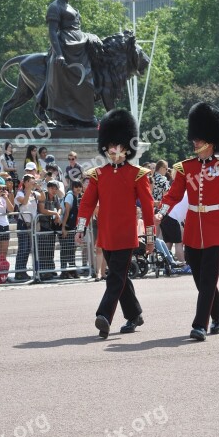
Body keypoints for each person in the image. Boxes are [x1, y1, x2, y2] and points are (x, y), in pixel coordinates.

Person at [157, 102, 219, 342]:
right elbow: (173, 195)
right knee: (198, 276)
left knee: (208, 279)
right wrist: (161, 213)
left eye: (200, 137)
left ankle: (199, 325)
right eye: (195, 137)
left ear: (211, 140)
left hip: (215, 227)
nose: (194, 141)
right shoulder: (186, 168)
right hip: (193, 228)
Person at [75, 109, 155, 339]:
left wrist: (149, 238)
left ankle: (104, 316)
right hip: (107, 236)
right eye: (110, 145)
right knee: (121, 278)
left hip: (126, 236)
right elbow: (86, 205)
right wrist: (80, 228)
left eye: (117, 145)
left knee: (115, 277)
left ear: (126, 148)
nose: (113, 149)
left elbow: (148, 208)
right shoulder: (99, 174)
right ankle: (134, 314)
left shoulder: (138, 174)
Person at [40, 0, 102, 127]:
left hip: (78, 47)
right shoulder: (55, 7)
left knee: (87, 82)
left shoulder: (71, 7)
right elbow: (53, 32)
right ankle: (63, 117)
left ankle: (84, 116)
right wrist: (59, 53)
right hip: (65, 48)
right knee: (67, 83)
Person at [14, 174, 45, 281]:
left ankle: (24, 271)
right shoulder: (20, 193)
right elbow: (24, 201)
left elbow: (43, 197)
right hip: (23, 224)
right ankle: (19, 272)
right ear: (26, 182)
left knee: (29, 249)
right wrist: (28, 189)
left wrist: (39, 188)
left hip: (32, 225)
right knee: (23, 248)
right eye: (31, 181)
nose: (33, 182)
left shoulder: (34, 193)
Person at [37, 180, 62, 281]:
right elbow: (42, 210)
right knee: (43, 250)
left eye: (56, 189)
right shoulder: (43, 196)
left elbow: (59, 207)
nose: (54, 190)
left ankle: (51, 269)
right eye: (52, 188)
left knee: (51, 249)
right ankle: (44, 271)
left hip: (51, 226)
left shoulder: (55, 197)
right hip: (42, 226)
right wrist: (55, 214)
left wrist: (58, 214)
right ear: (47, 188)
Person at [60, 180, 83, 279]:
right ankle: (64, 272)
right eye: (76, 186)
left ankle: (72, 271)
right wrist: (63, 228)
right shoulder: (70, 196)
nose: (78, 188)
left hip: (72, 227)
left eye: (79, 186)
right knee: (66, 250)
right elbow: (67, 212)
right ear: (72, 187)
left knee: (71, 250)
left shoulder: (77, 196)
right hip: (66, 226)